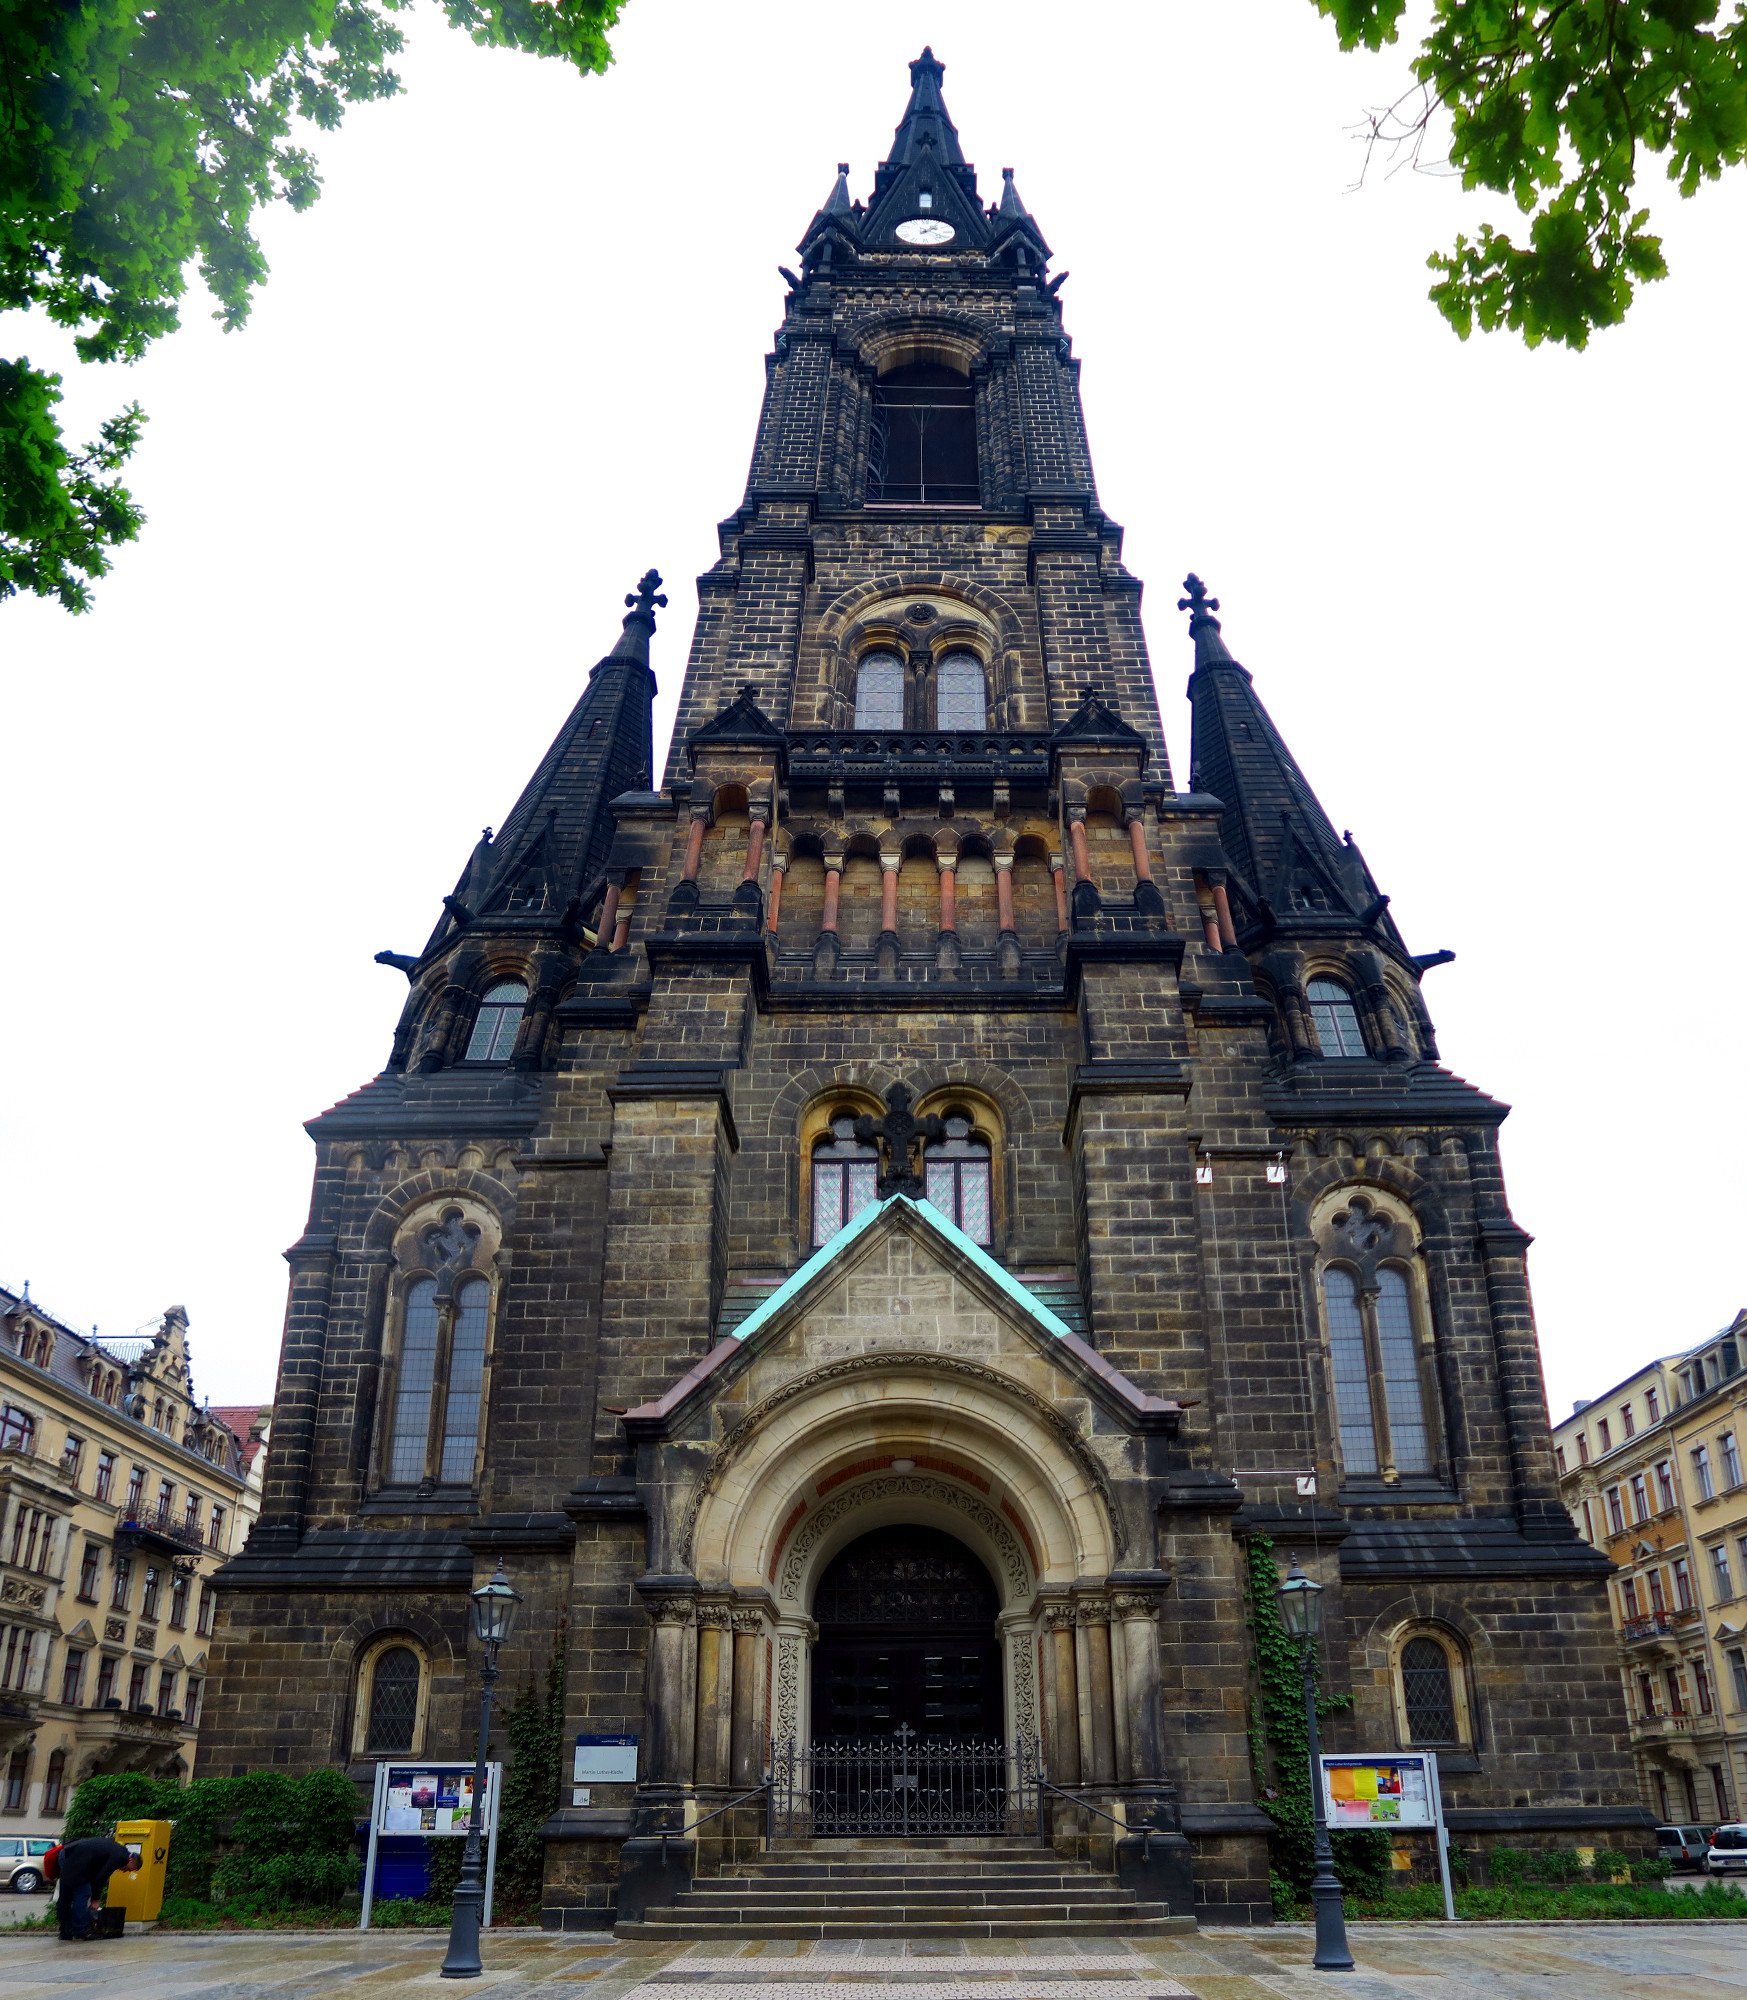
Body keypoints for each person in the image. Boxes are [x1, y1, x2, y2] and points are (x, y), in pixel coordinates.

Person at [54, 1836, 141, 1941]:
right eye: (130, 1869)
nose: (126, 1871)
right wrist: (95, 1899)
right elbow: (101, 1877)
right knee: (82, 1893)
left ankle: (65, 1932)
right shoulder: (119, 1858)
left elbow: (97, 1872)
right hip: (77, 1859)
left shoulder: (120, 1851)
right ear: (131, 1860)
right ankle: (81, 1931)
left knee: (66, 1895)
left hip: (67, 1854)